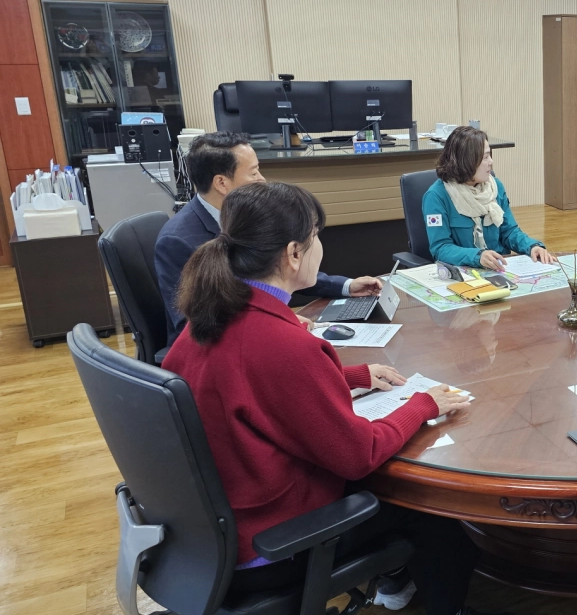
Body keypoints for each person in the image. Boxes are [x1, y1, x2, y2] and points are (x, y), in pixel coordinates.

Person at [162, 182, 499, 615]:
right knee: (436, 516)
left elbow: (254, 384)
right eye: (317, 236)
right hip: (273, 543)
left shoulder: (211, 313)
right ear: (293, 254)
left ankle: (396, 583)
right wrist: (424, 405)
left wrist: (351, 375)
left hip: (212, 531)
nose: (321, 247)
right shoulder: (284, 343)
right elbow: (360, 454)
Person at [155, 132, 381, 345]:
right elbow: (191, 324)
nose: (262, 180)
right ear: (222, 183)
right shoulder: (178, 240)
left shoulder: (249, 216)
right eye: (253, 173)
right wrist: (273, 324)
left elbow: (279, 269)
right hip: (219, 355)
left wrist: (346, 286)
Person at [423, 126, 554, 271]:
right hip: (463, 273)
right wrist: (478, 256)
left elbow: (509, 231)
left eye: (489, 155)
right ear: (466, 161)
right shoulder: (436, 197)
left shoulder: (495, 186)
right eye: (485, 157)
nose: (491, 162)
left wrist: (531, 246)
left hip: (499, 269)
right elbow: (441, 248)